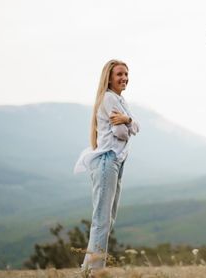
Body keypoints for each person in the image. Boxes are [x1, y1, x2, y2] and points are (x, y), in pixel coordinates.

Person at [74, 59, 139, 270]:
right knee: (102, 220)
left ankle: (89, 269)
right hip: (107, 160)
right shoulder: (110, 99)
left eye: (126, 74)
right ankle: (93, 271)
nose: (124, 78)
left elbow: (135, 127)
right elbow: (121, 133)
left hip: (116, 161)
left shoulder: (121, 100)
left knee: (107, 220)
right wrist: (128, 125)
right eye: (119, 74)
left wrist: (128, 121)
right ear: (109, 78)